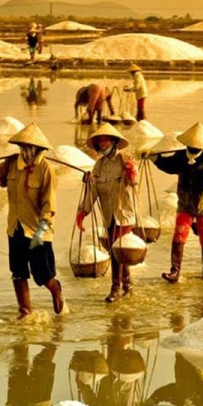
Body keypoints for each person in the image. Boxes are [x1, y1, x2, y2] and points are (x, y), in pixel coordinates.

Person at [0, 123, 65, 318]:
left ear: (38, 149)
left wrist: (42, 228)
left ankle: (55, 289)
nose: (25, 151)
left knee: (42, 275)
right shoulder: (11, 164)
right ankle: (24, 310)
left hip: (37, 229)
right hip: (15, 226)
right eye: (22, 146)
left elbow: (49, 202)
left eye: (29, 147)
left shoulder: (45, 170)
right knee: (18, 272)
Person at [77, 123, 137, 302]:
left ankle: (115, 289)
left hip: (123, 215)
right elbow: (93, 191)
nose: (103, 144)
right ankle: (128, 285)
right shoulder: (99, 166)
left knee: (117, 252)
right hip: (108, 216)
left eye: (105, 141)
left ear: (114, 141)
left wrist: (131, 172)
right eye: (100, 142)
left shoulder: (125, 159)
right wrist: (82, 212)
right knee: (117, 252)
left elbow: (134, 183)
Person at [151, 122, 203, 281]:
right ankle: (175, 271)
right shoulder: (181, 156)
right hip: (185, 203)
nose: (193, 148)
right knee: (179, 234)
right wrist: (155, 158)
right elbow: (169, 166)